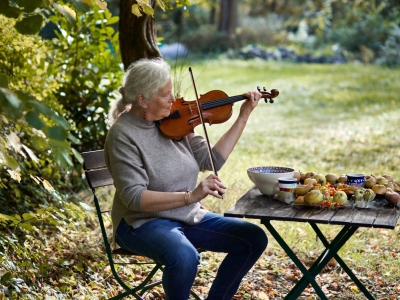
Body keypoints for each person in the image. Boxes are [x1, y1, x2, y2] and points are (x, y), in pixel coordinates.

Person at [104, 58, 268, 300]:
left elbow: (212, 158)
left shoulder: (173, 121)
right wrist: (191, 196)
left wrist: (242, 116)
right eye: (165, 95)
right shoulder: (123, 135)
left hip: (187, 216)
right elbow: (134, 198)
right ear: (142, 100)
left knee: (253, 238)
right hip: (142, 223)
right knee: (184, 256)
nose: (173, 100)